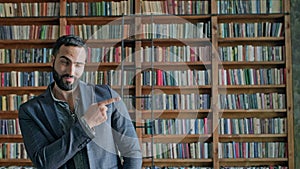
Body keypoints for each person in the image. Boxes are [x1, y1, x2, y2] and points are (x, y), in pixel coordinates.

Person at [18, 35, 142, 169]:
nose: (71, 71)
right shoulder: (30, 111)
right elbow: (44, 163)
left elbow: (132, 152)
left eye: (78, 65)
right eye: (65, 62)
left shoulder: (106, 96)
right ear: (53, 61)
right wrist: (86, 125)